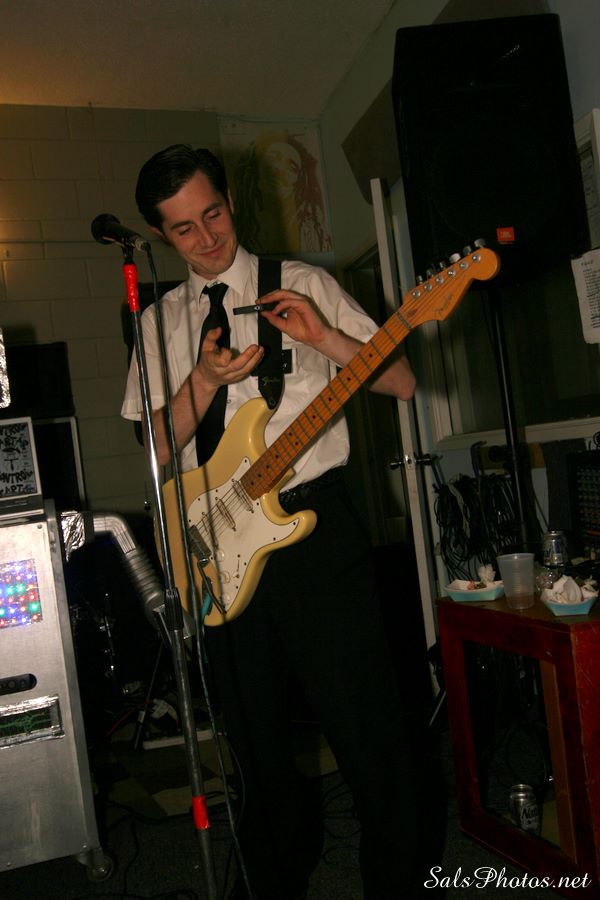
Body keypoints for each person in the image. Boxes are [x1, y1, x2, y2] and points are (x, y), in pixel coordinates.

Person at [121, 144, 437, 900]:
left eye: (214, 215)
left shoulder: (304, 282)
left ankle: (399, 882)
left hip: (313, 527)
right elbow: (156, 451)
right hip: (215, 543)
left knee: (365, 726)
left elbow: (401, 380)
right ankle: (273, 878)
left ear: (231, 200)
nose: (206, 238)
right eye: (184, 229)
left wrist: (323, 337)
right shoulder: (157, 324)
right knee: (253, 741)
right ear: (161, 236)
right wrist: (201, 381)